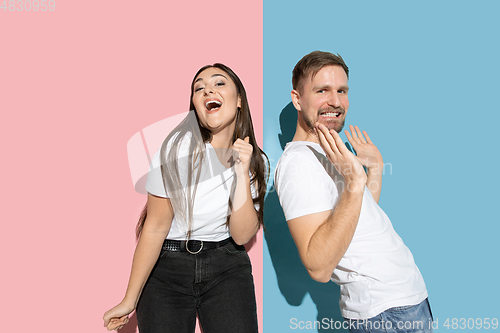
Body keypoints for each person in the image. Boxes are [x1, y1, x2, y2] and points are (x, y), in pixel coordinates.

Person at [274, 51, 433, 332]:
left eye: (342, 90)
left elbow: (356, 224)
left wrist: (375, 170)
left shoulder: (332, 152)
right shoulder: (298, 163)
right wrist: (354, 181)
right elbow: (318, 267)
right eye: (322, 90)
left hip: (405, 303)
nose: (335, 101)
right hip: (383, 315)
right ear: (297, 99)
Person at [103, 63, 267, 333]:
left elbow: (242, 236)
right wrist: (129, 300)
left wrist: (240, 170)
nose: (207, 90)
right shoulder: (175, 151)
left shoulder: (256, 161)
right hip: (168, 268)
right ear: (195, 105)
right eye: (199, 88)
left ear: (239, 100)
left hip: (227, 265)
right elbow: (155, 227)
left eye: (218, 83)